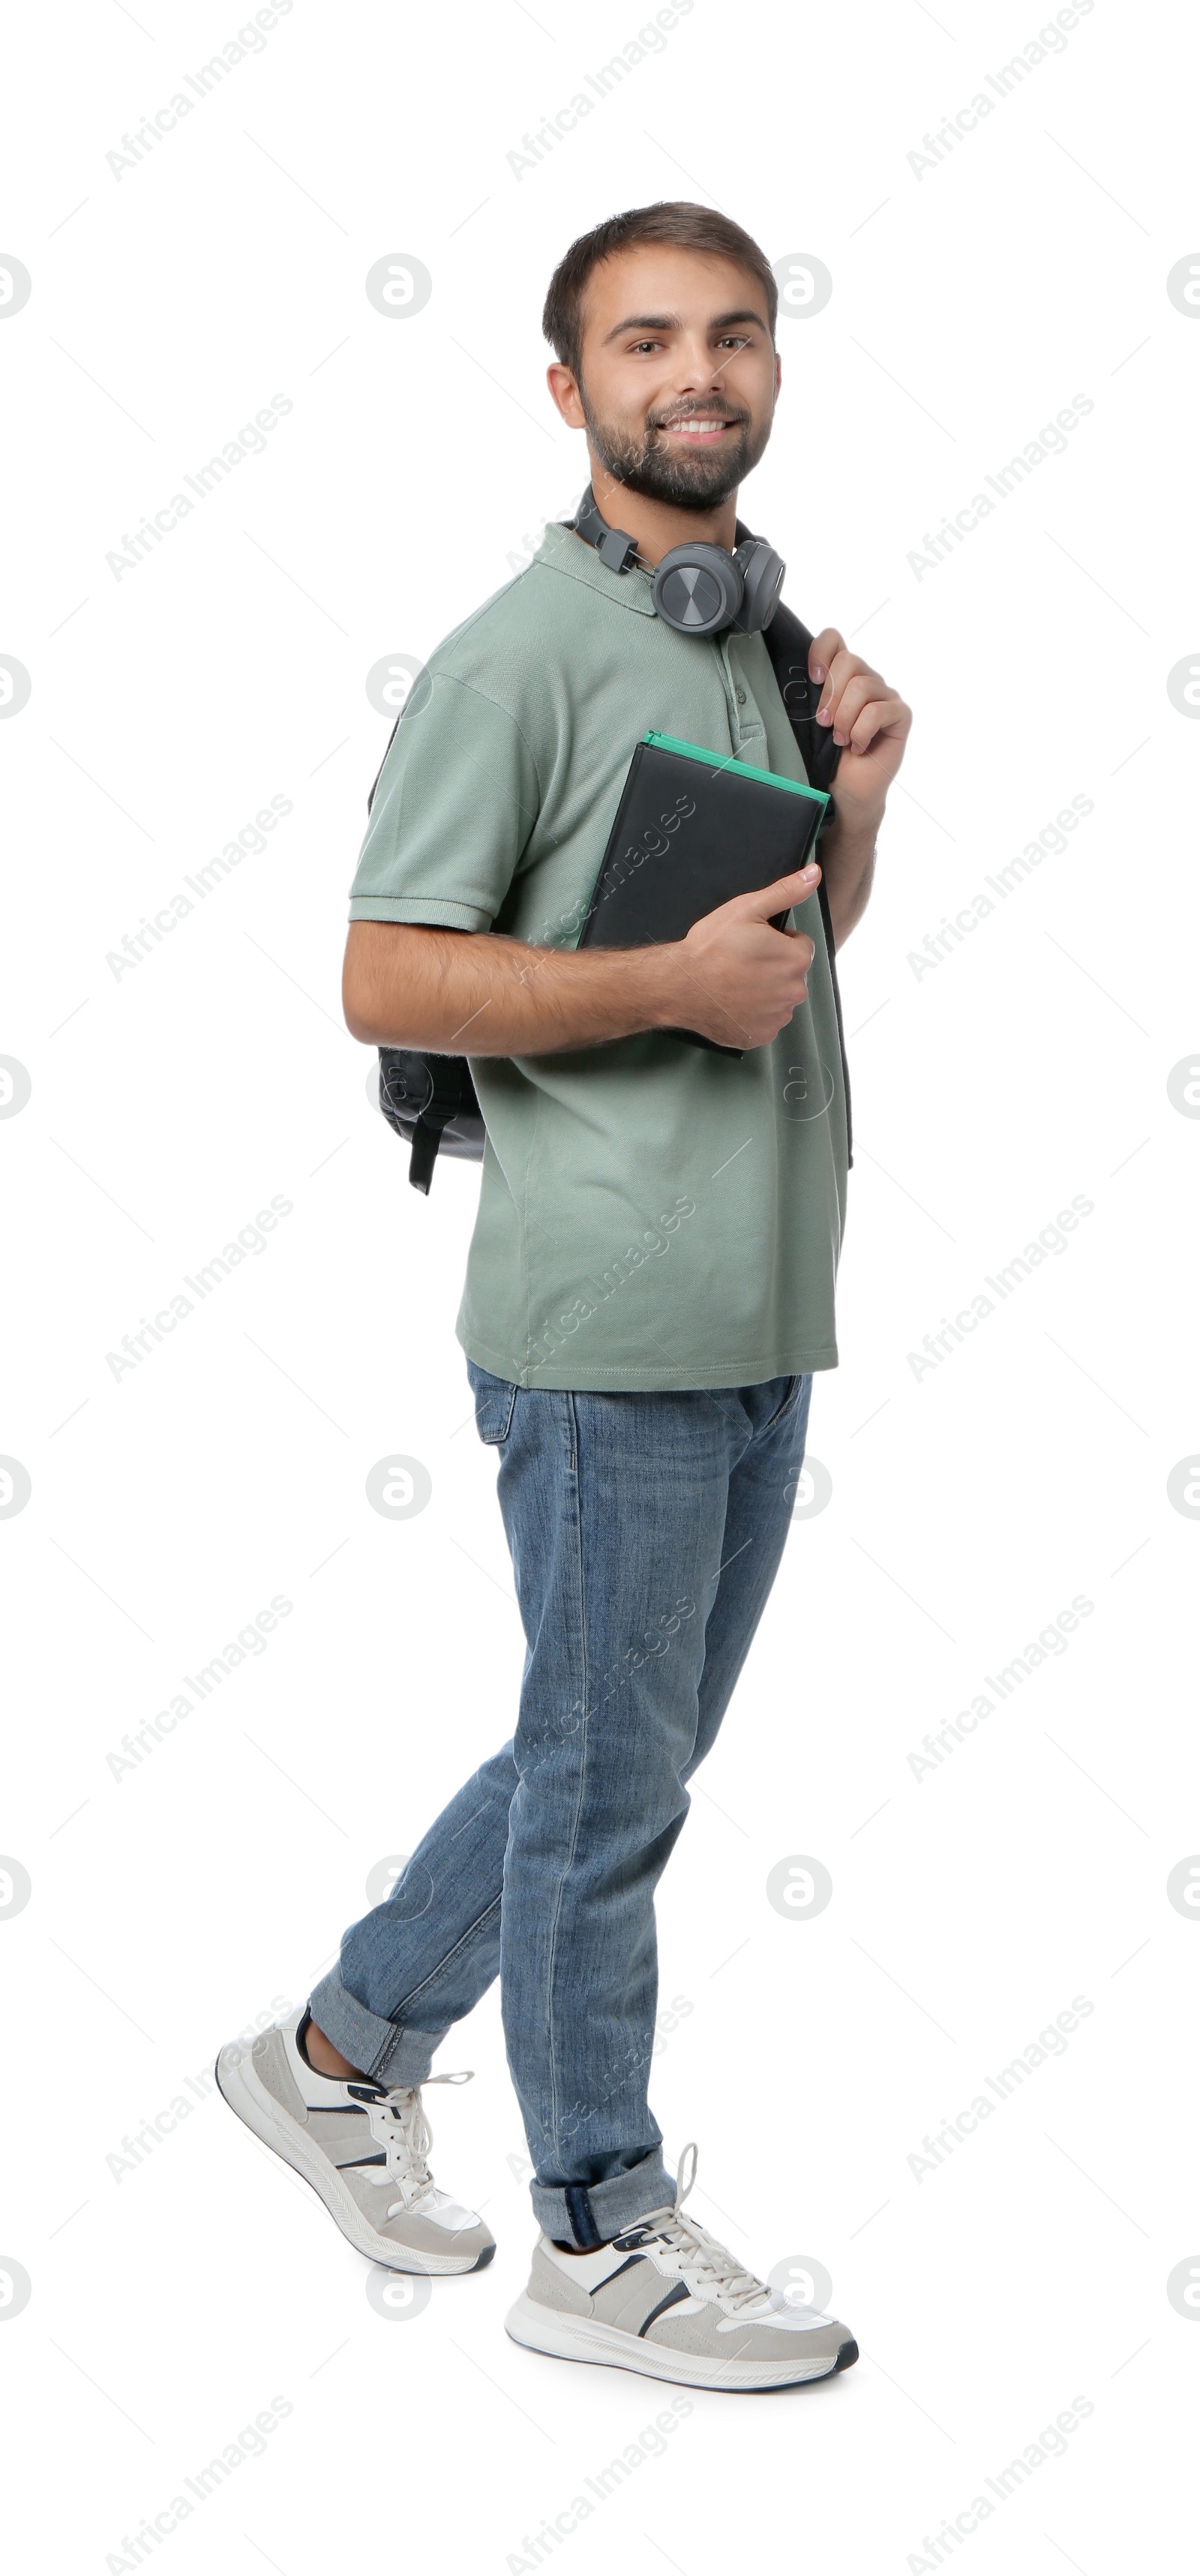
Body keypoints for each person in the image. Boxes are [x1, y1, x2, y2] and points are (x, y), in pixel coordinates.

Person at [218, 199, 911, 2392]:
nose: (695, 373)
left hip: (754, 1304)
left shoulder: (746, 641)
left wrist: (860, 811)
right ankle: (597, 2221)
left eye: (733, 334)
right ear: (569, 391)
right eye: (645, 342)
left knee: (603, 1750)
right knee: (614, 1786)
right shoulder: (517, 652)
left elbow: (768, 973)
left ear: (772, 370)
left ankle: (338, 2049)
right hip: (608, 1324)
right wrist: (661, 984)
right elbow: (379, 971)